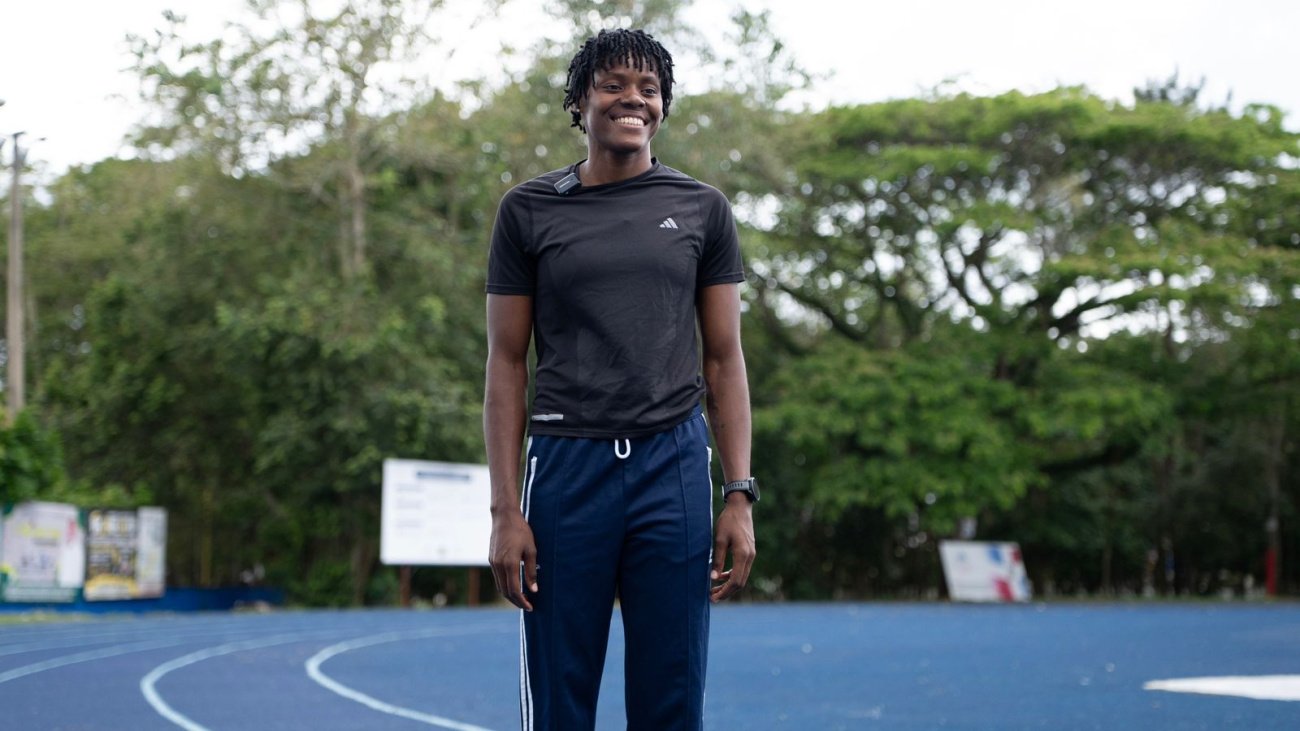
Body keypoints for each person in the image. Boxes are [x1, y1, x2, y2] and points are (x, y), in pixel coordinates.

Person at [484, 28, 758, 731]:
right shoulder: (528, 210)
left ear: (662, 107)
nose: (632, 99)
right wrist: (505, 510)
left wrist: (739, 494)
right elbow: (506, 363)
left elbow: (724, 360)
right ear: (580, 102)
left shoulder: (703, 208)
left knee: (672, 697)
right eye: (613, 85)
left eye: (648, 88)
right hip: (566, 468)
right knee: (560, 696)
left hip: (672, 466)